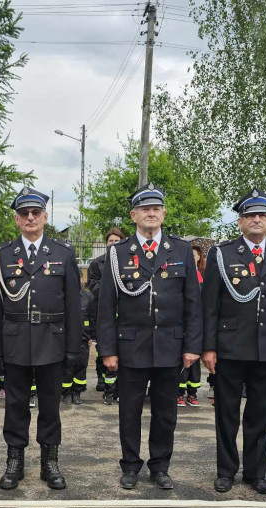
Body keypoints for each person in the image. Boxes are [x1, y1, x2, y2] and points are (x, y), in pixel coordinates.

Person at [97, 183, 202, 490]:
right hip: (131, 345)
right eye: (145, 208)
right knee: (129, 410)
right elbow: (107, 307)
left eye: (156, 208)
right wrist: (108, 349)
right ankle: (130, 465)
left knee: (165, 412)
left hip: (170, 345)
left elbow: (193, 303)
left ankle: (160, 466)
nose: (151, 212)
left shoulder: (181, 250)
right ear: (134, 215)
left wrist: (192, 345)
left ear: (164, 213)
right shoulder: (118, 253)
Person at [201, 190, 266, 494]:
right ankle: (226, 471)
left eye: (262, 215)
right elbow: (209, 307)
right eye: (249, 215)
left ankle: (256, 473)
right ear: (240, 222)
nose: (256, 220)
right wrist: (208, 346)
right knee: (227, 413)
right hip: (230, 347)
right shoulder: (222, 254)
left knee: (261, 414)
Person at [0, 187, 82, 490]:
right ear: (16, 219)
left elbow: (72, 307)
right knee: (15, 404)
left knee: (50, 406)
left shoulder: (63, 254)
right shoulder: (2, 256)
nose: (30, 218)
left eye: (35, 213)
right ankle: (14, 460)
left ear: (45, 217)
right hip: (14, 340)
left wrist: (73, 350)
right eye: (23, 213)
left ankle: (49, 461)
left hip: (52, 341)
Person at [89, 226, 125, 404]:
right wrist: (109, 288)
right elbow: (92, 285)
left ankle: (118, 387)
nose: (113, 244)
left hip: (124, 312)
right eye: (110, 241)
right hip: (102, 311)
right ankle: (103, 381)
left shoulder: (128, 261)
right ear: (106, 243)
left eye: (117, 241)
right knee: (102, 349)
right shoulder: (97, 263)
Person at [178, 242, 205, 406]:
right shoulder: (181, 273)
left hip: (196, 324)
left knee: (194, 363)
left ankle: (192, 393)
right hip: (181, 323)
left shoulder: (203, 276)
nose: (193, 256)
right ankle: (179, 392)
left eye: (196, 254)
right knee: (181, 361)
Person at [63, 276, 93, 405]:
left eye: (78, 277)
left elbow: (93, 318)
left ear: (81, 278)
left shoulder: (89, 297)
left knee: (81, 366)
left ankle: (77, 393)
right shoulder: (63, 295)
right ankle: (66, 393)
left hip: (83, 338)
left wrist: (92, 336)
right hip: (66, 338)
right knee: (67, 367)